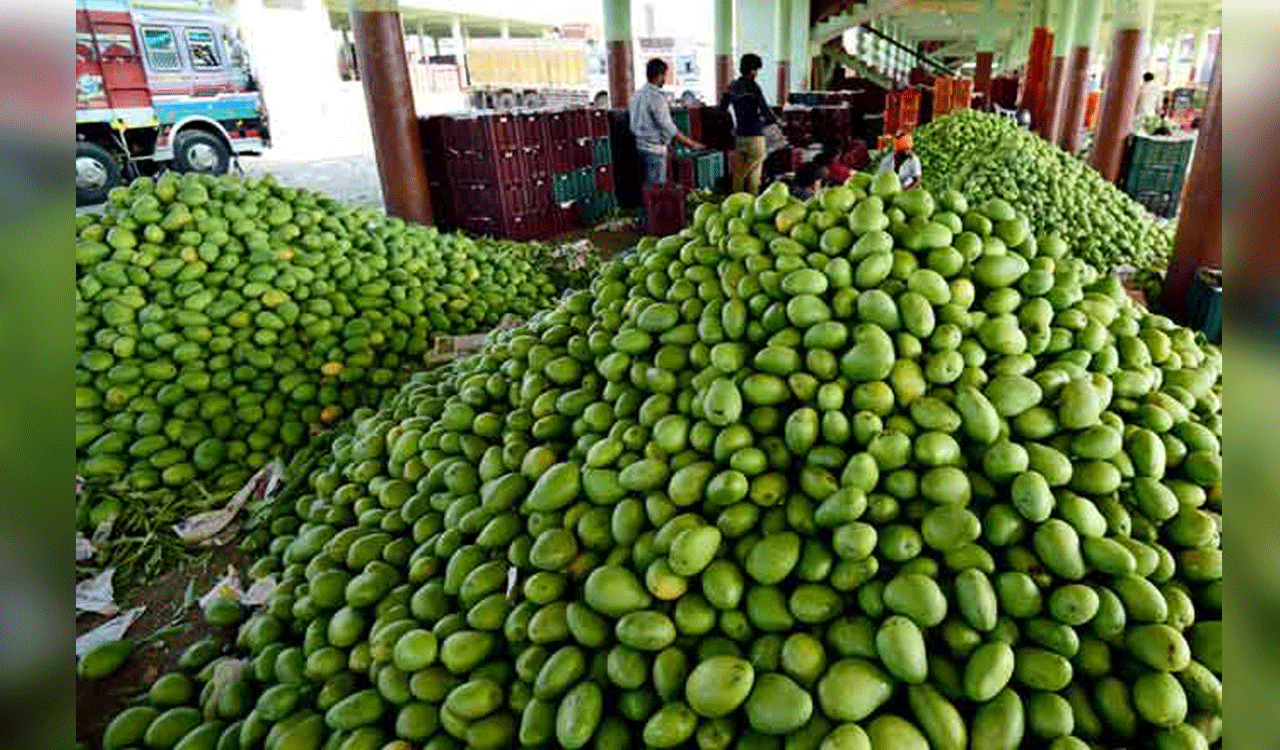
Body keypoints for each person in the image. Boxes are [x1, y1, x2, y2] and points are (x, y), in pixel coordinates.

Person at [629, 58, 703, 228]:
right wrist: (690, 143)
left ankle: (644, 221)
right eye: (664, 76)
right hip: (654, 150)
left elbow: (633, 124)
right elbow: (668, 127)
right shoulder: (656, 98)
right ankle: (654, 226)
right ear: (660, 75)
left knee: (646, 187)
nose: (665, 80)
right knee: (656, 190)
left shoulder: (637, 95)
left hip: (639, 147)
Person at [720, 53, 779, 195]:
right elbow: (766, 112)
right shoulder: (753, 87)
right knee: (745, 173)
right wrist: (774, 119)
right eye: (756, 70)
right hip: (755, 136)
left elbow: (722, 107)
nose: (756, 74)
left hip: (740, 136)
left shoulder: (732, 86)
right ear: (752, 70)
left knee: (748, 173)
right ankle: (745, 201)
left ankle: (740, 202)